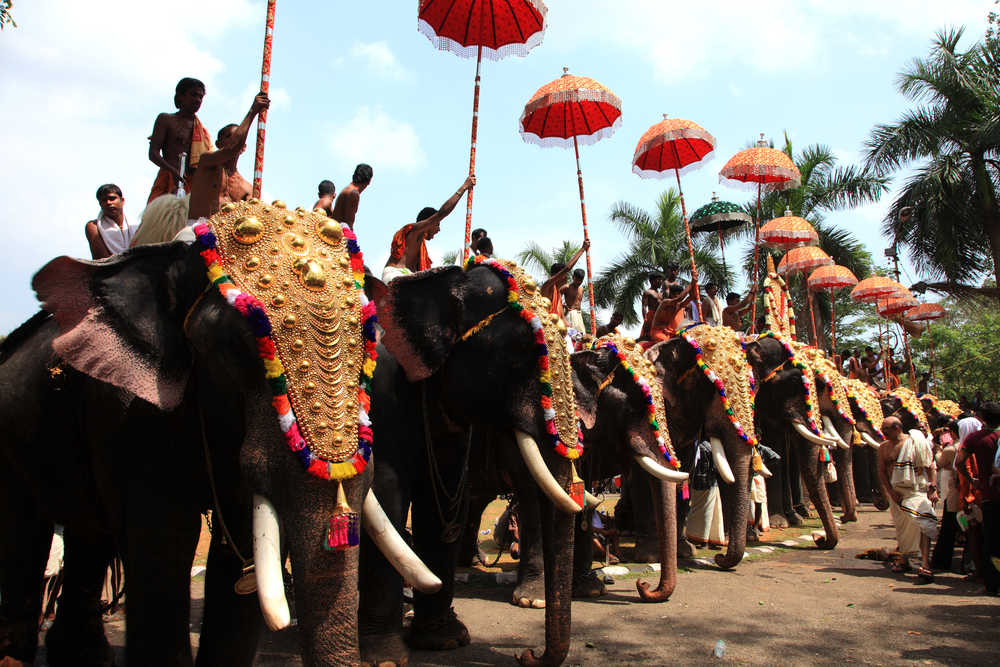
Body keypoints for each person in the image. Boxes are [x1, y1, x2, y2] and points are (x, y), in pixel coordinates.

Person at [188, 93, 270, 222]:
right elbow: (231, 150)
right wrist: (253, 111)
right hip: (198, 229)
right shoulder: (207, 160)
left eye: (237, 137)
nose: (234, 140)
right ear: (218, 144)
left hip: (229, 238)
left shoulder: (247, 187)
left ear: (244, 147)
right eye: (229, 137)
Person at [382, 175, 476, 283]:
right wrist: (464, 187)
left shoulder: (420, 241)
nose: (438, 230)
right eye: (437, 224)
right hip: (395, 274)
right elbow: (442, 213)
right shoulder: (415, 230)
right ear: (430, 223)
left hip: (407, 276)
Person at [877, 416, 939, 581]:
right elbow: (882, 472)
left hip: (917, 489)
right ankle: (905, 560)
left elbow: (929, 465)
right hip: (897, 493)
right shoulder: (883, 447)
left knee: (924, 522)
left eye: (886, 429)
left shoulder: (916, 441)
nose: (883, 432)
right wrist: (890, 492)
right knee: (902, 528)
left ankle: (925, 563)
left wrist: (933, 488)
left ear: (897, 428)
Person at [954, 401, 1000, 596]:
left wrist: (971, 480)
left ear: (981, 418)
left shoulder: (974, 438)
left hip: (989, 497)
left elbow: (959, 462)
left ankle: (991, 584)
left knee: (992, 542)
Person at [147, 78, 213, 204]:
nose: (198, 100)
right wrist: (172, 170)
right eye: (193, 95)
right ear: (180, 96)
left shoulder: (202, 131)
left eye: (200, 97)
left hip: (193, 184)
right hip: (167, 179)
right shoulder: (166, 119)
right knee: (155, 220)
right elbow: (153, 153)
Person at [931, 418, 961, 570]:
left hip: (956, 490)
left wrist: (937, 450)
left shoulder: (952, 449)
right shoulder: (970, 445)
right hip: (973, 491)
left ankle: (941, 560)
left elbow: (939, 463)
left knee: (949, 526)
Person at [540, 240, 590, 324]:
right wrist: (582, 249)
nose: (566, 275)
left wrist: (575, 333)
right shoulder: (548, 285)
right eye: (563, 274)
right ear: (555, 275)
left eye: (566, 274)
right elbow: (567, 268)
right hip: (543, 325)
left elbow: (562, 318)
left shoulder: (558, 294)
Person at [85, 184, 138, 259]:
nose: (108, 203)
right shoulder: (93, 226)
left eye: (112, 198)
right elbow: (105, 258)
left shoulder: (135, 226)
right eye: (103, 200)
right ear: (100, 204)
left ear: (122, 201)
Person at [332, 164, 373, 231]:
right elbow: (348, 224)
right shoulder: (353, 193)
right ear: (369, 181)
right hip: (336, 233)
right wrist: (352, 240)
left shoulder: (349, 189)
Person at [561, 268, 587, 335]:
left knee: (581, 336)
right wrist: (563, 305)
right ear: (573, 278)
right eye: (576, 279)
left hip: (579, 315)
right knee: (570, 335)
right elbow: (555, 295)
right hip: (570, 314)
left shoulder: (581, 290)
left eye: (580, 280)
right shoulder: (567, 287)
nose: (578, 282)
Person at [639, 273, 664, 340]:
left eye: (661, 280)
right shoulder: (647, 292)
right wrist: (645, 320)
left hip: (659, 316)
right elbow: (644, 306)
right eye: (659, 279)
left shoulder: (660, 294)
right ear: (652, 280)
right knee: (648, 335)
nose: (661, 282)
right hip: (651, 315)